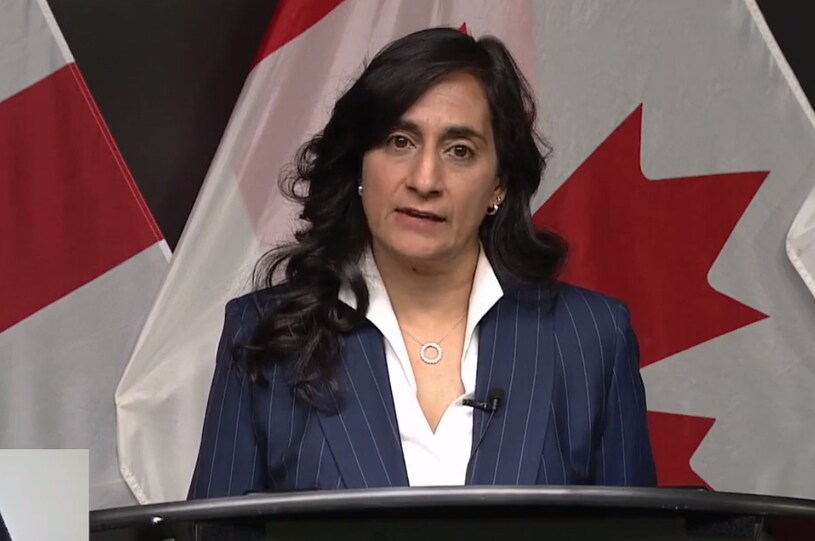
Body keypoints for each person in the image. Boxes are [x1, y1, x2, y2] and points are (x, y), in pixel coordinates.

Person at [189, 26, 656, 499]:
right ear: (359, 165)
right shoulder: (265, 334)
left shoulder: (591, 338)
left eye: (460, 151)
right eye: (399, 141)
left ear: (499, 184)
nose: (425, 178)